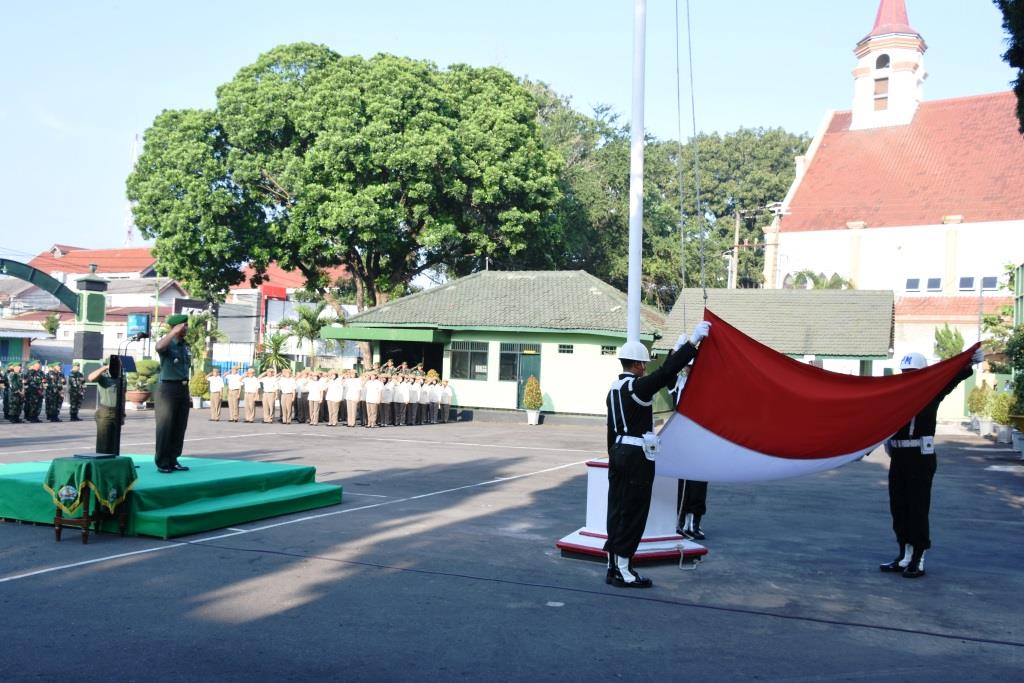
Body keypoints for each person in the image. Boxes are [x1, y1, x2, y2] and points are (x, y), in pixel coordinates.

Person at [604, 321, 710, 588]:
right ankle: (625, 570)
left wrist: (676, 351)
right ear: (639, 365)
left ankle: (614, 566)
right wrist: (691, 345)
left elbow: (664, 374)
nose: (646, 368)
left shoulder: (614, 390)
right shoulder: (636, 388)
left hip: (617, 451)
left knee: (617, 510)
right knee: (633, 511)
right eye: (644, 364)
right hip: (635, 456)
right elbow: (665, 375)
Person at [879, 348, 982, 579]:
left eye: (912, 371)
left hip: (920, 458)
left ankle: (919, 558)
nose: (908, 375)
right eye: (905, 372)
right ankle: (903, 555)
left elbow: (952, 378)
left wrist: (968, 363)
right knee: (899, 507)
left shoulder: (932, 391)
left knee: (917, 507)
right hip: (898, 457)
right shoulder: (896, 394)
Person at [667, 366, 709, 541]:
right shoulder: (678, 384)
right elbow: (667, 372)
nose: (690, 369)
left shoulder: (706, 386)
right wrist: (675, 352)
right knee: (681, 485)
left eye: (693, 365)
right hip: (682, 443)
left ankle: (694, 523)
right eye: (688, 365)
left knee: (699, 484)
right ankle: (679, 522)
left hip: (701, 441)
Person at [154, 314, 192, 473]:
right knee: (166, 427)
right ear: (177, 326)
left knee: (179, 426)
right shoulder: (168, 344)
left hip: (182, 387)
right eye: (185, 325)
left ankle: (173, 459)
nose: (187, 328)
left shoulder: (184, 345)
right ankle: (163, 462)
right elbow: (158, 347)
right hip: (167, 389)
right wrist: (172, 333)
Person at [89, 363, 121, 454]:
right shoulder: (103, 378)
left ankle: (113, 463)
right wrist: (104, 368)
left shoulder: (120, 379)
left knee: (115, 443)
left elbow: (123, 396)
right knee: (103, 443)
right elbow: (91, 377)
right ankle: (101, 464)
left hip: (117, 412)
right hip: (105, 412)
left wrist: (122, 413)